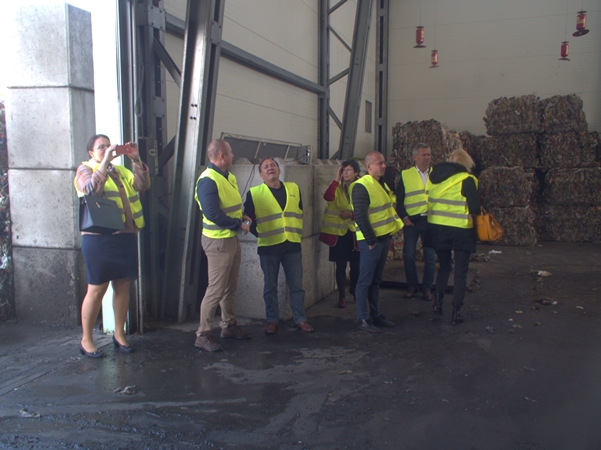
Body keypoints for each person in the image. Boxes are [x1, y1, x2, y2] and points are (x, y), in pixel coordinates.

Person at [74, 134, 150, 358]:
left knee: (123, 286)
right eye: (101, 147)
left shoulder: (121, 171)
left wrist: (136, 160)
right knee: (97, 288)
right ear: (91, 152)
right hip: (99, 238)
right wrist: (105, 163)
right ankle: (86, 339)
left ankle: (119, 334)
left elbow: (142, 185)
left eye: (109, 146)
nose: (107, 149)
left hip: (125, 235)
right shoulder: (84, 170)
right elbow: (91, 190)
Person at [194, 139, 252, 352]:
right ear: (221, 156)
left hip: (230, 239)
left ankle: (228, 326)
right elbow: (212, 213)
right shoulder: (208, 180)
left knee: (230, 287)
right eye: (230, 152)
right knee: (216, 290)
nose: (233, 155)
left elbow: (229, 206)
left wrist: (242, 217)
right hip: (218, 242)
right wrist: (238, 224)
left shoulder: (227, 176)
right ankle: (203, 334)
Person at [244, 158, 313, 335]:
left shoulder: (294, 188)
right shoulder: (254, 193)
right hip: (269, 247)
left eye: (273, 165)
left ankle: (300, 319)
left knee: (297, 286)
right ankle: (272, 320)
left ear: (279, 170)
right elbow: (248, 218)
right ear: (261, 174)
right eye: (266, 167)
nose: (270, 168)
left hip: (292, 245)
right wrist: (259, 233)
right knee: (270, 287)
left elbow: (300, 211)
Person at [425, 148, 480, 325]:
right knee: (460, 273)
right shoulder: (468, 180)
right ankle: (456, 311)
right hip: (461, 230)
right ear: (466, 163)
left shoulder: (434, 178)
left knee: (444, 267)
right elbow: (475, 208)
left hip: (438, 229)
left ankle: (437, 304)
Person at [350, 151, 404, 333]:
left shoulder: (381, 184)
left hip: (382, 238)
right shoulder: (362, 186)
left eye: (384, 163)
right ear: (369, 166)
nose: (384, 166)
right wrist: (371, 240)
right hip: (371, 242)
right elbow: (360, 215)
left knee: (376, 280)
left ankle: (375, 314)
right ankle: (363, 317)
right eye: (380, 163)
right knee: (365, 280)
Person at [395, 143, 436, 301]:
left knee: (430, 257)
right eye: (424, 155)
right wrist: (405, 218)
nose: (427, 157)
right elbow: (399, 200)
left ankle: (427, 288)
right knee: (409, 256)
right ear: (415, 157)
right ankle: (412, 286)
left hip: (430, 221)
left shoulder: (436, 175)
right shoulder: (406, 175)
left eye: (429, 154)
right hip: (412, 222)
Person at [318, 160, 361, 309]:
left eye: (349, 170)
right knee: (340, 265)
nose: (345, 173)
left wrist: (352, 214)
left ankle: (354, 290)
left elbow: (367, 207)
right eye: (343, 170)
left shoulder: (361, 186)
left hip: (355, 232)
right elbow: (328, 197)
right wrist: (336, 179)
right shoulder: (337, 186)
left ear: (356, 173)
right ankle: (342, 296)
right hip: (339, 233)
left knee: (356, 265)